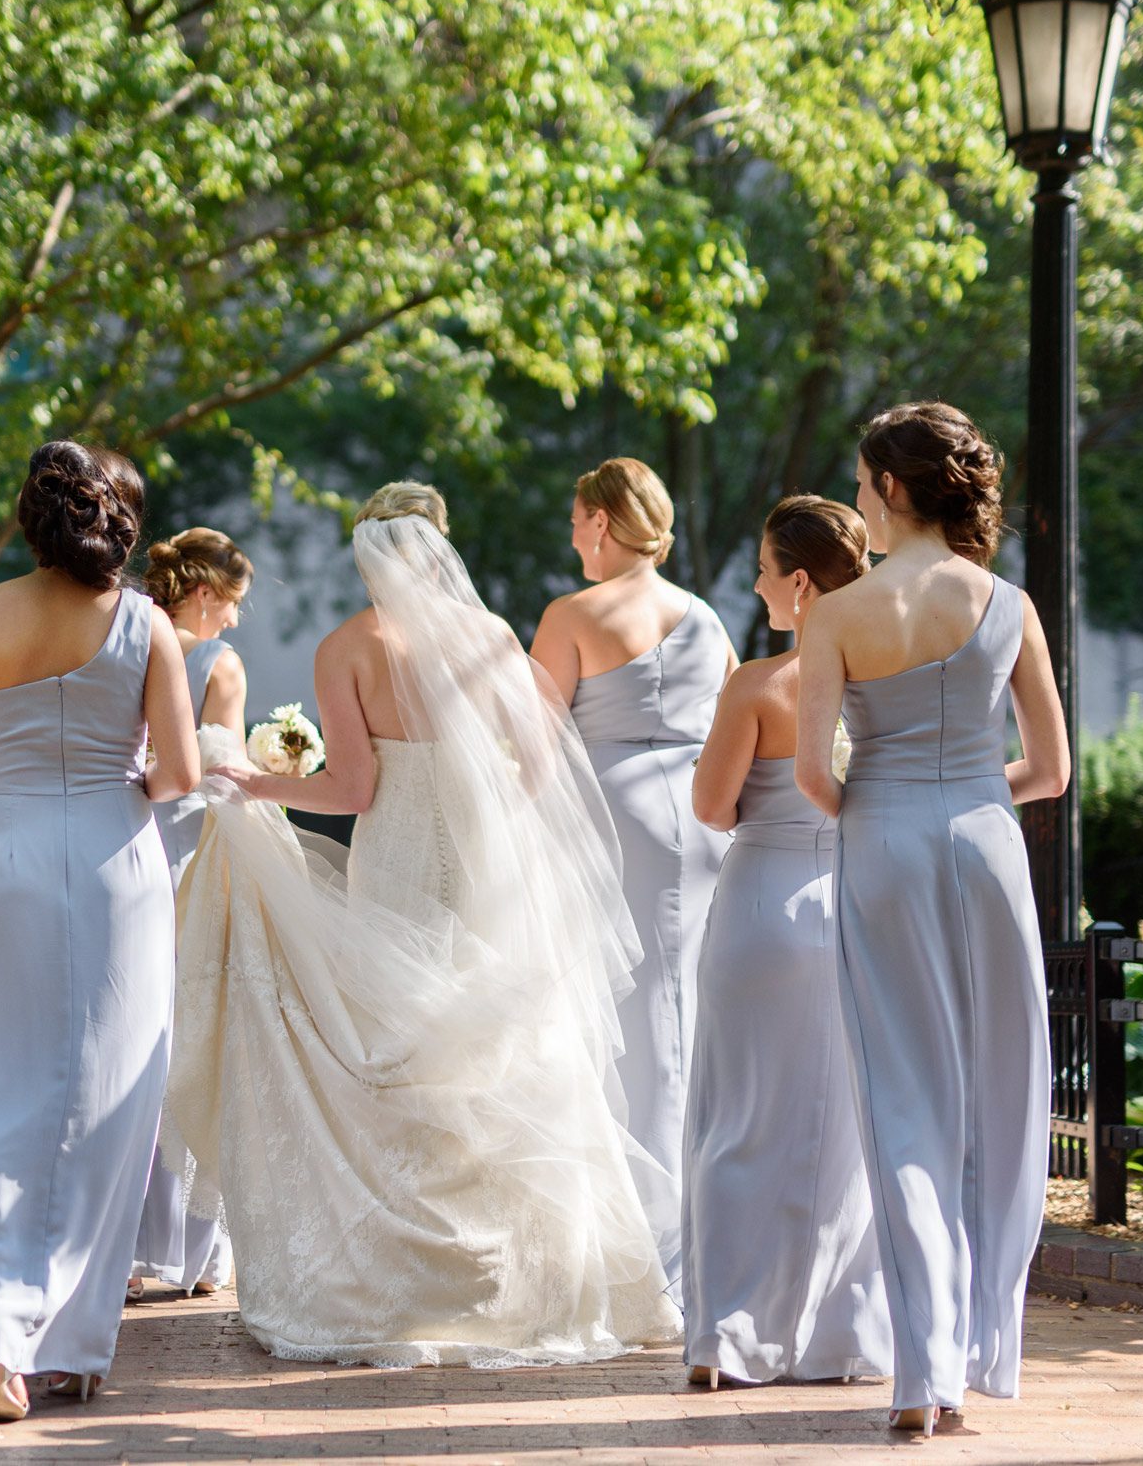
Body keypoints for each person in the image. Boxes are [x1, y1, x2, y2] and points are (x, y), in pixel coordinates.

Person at [169, 482, 681, 1367]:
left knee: (396, 1047)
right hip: (487, 853)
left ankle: (406, 1278)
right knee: (502, 1050)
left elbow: (351, 790)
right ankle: (539, 1280)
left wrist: (262, 785)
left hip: (399, 852)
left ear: (368, 552)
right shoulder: (490, 638)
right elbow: (544, 753)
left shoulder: (347, 649)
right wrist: (500, 812)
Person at [795, 402, 1071, 1436]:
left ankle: (921, 1376)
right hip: (986, 843)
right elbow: (1048, 769)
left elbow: (811, 775)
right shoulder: (1008, 603)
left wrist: (881, 805)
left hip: (881, 841)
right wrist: (967, 790)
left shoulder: (837, 613)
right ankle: (977, 1346)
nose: (858, 502)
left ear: (894, 489)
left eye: (863, 485)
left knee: (901, 1098)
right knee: (1000, 1092)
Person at [0, 441, 199, 1420]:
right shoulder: (146, 624)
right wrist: (109, 780)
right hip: (115, 865)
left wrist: (26, 785)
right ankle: (71, 1343)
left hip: (7, 858)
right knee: (108, 1094)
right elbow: (179, 774)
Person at [680, 495, 890, 1388]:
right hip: (859, 908)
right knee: (847, 1130)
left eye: (767, 569)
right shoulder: (892, 688)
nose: (760, 582)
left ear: (800, 582)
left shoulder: (759, 686)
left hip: (763, 906)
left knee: (739, 1120)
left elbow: (708, 806)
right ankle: (841, 1339)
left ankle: (727, 1337)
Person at [531, 457, 736, 1290]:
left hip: (613, 820)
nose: (573, 534)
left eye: (578, 519)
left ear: (604, 523)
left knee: (628, 1014)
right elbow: (732, 723)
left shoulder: (572, 614)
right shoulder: (708, 617)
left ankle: (647, 1232)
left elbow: (535, 739)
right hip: (699, 817)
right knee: (686, 1004)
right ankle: (695, 1217)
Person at [130, 527, 253, 1300]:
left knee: (134, 1041)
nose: (234, 622)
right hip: (191, 862)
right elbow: (225, 783)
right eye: (234, 604)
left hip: (122, 845)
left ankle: (131, 1242)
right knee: (196, 1043)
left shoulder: (121, 638)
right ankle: (196, 1249)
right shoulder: (219, 664)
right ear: (205, 594)